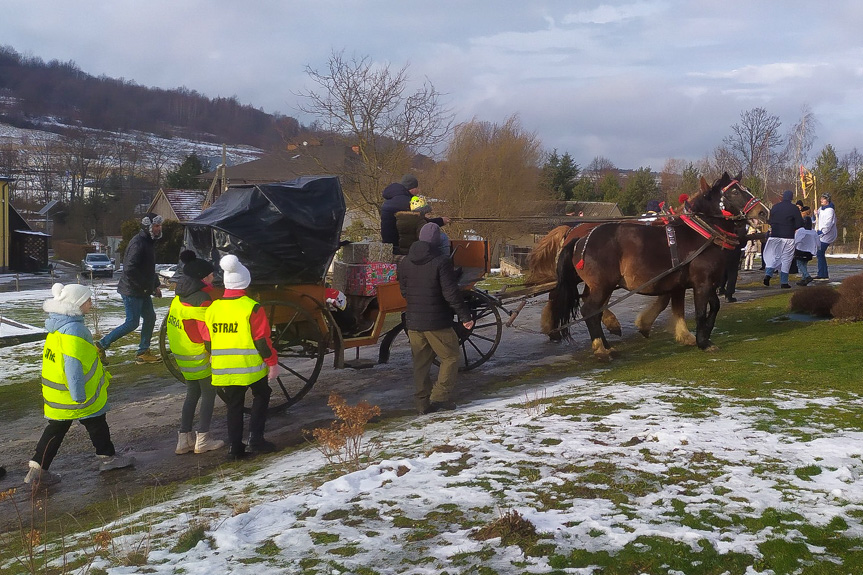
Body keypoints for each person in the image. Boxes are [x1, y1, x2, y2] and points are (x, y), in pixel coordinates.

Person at [25, 283, 135, 487]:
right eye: (88, 300)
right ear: (77, 304)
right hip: (77, 395)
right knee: (96, 423)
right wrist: (78, 395)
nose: (91, 303)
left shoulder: (57, 326)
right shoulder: (74, 329)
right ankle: (108, 458)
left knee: (56, 429)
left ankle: (37, 470)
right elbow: (73, 364)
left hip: (58, 394)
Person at [203, 255, 279, 460]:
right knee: (262, 395)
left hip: (224, 367)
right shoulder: (252, 307)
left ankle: (235, 449)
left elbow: (207, 338)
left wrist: (211, 355)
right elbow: (261, 341)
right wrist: (272, 363)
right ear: (245, 281)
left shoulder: (213, 309)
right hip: (250, 367)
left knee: (234, 405)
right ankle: (256, 438)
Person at [398, 222, 474, 415]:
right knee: (451, 356)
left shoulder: (405, 262)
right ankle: (440, 397)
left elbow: (404, 290)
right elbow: (450, 294)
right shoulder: (441, 262)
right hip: (437, 322)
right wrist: (465, 316)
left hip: (414, 322)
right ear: (437, 241)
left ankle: (422, 404)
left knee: (421, 363)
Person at [167, 251, 224, 455]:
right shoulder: (202, 298)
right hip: (199, 354)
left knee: (192, 393)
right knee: (209, 393)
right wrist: (214, 353)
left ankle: (184, 439)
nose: (213, 278)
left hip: (182, 353)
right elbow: (205, 332)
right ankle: (203, 439)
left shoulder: (179, 296)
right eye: (210, 275)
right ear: (202, 277)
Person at [97, 213, 163, 365]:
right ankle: (100, 345)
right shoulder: (138, 243)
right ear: (148, 226)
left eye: (160, 226)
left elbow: (148, 269)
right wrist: (144, 287)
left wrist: (154, 286)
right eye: (156, 226)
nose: (159, 229)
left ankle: (143, 352)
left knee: (150, 317)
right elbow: (130, 269)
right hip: (132, 290)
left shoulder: (149, 242)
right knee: (132, 322)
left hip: (142, 290)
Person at [763, 190, 804, 289]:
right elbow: (799, 224)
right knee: (786, 259)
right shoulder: (794, 208)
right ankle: (784, 282)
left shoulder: (775, 207)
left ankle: (768, 274)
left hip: (775, 236)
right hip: (788, 236)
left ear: (782, 197)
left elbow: (769, 220)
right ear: (791, 198)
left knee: (773, 257)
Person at [380, 174, 419, 254]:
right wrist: (440, 221)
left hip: (388, 246)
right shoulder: (409, 202)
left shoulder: (388, 201)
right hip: (402, 248)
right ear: (412, 189)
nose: (418, 191)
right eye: (416, 188)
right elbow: (421, 222)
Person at [814, 192, 837, 280]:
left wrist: (822, 232)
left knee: (819, 253)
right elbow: (816, 220)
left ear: (827, 200)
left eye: (823, 199)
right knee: (820, 253)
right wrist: (815, 214)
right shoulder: (821, 209)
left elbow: (829, 224)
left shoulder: (830, 210)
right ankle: (823, 273)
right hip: (821, 234)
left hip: (827, 235)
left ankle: (822, 274)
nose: (821, 200)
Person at [794, 216, 820, 286]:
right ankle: (803, 279)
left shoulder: (800, 231)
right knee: (804, 264)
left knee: (799, 264)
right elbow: (818, 242)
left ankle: (807, 276)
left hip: (800, 250)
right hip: (809, 252)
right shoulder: (813, 232)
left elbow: (796, 240)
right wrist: (817, 249)